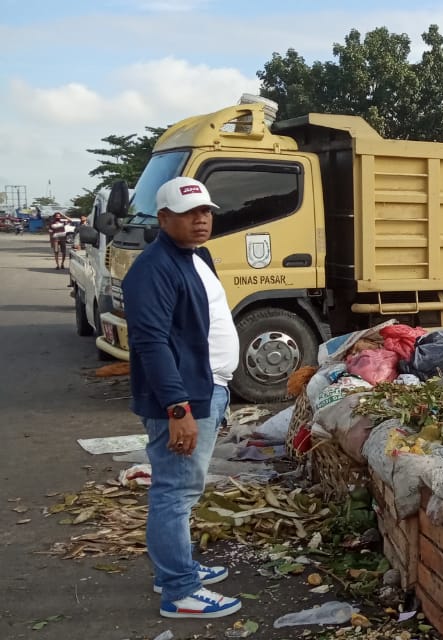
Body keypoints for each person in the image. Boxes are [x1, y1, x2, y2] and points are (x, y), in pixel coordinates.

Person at [122, 177, 242, 619]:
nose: (202, 220)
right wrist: (179, 409)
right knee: (174, 492)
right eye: (190, 213)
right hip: (184, 398)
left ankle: (176, 569)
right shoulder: (152, 270)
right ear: (164, 218)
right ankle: (179, 591)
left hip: (205, 387)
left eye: (206, 211)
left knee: (181, 490)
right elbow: (151, 343)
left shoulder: (195, 257)